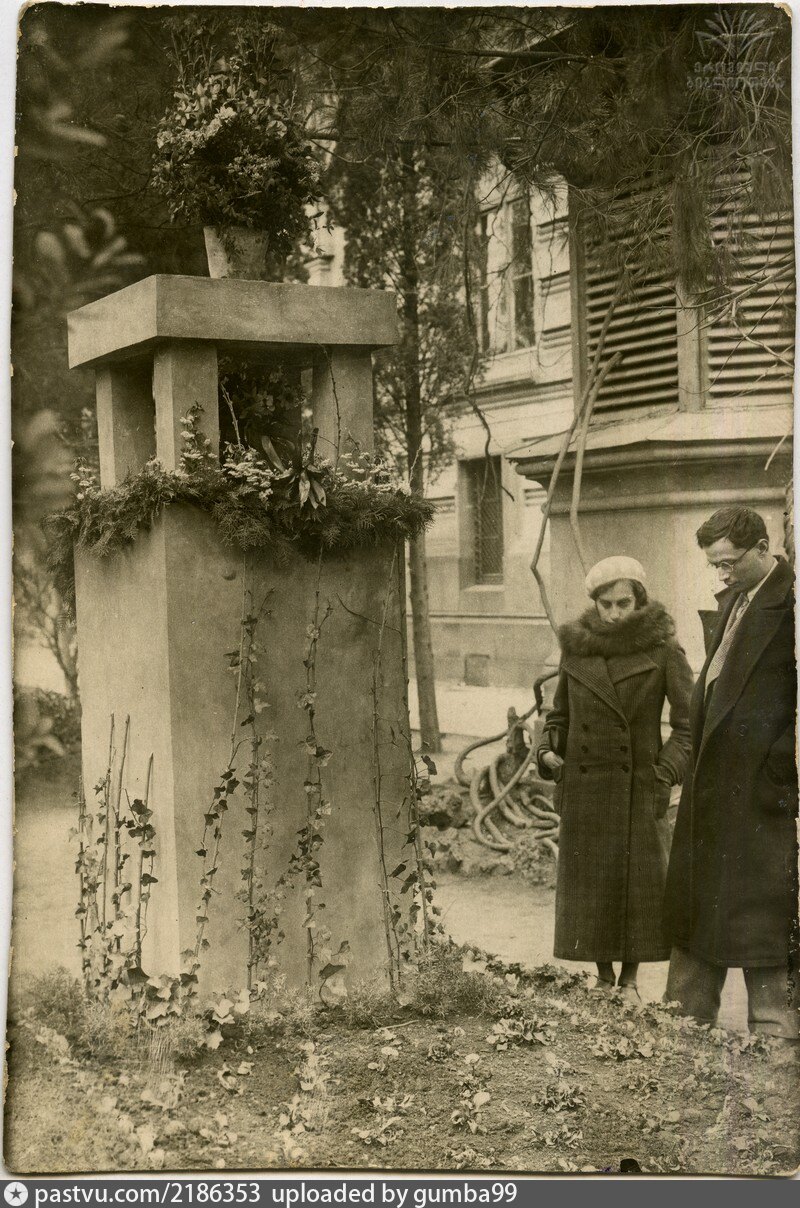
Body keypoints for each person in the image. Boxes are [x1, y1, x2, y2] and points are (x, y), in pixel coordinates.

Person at [664, 507, 799, 1040]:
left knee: (762, 909)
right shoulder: (735, 598)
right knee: (703, 900)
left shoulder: (791, 603)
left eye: (729, 562)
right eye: (714, 565)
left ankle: (776, 1033)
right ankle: (686, 1022)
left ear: (764, 548)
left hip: (761, 787)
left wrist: (779, 772)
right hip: (715, 779)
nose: (721, 574)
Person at [537, 556, 694, 1000]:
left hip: (636, 788)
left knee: (636, 888)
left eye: (623, 603)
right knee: (593, 884)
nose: (613, 614)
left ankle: (629, 981)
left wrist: (663, 774)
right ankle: (603, 977)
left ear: (639, 600)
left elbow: (689, 727)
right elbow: (559, 716)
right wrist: (547, 750)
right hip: (586, 788)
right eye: (604, 604)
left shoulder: (663, 650)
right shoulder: (577, 648)